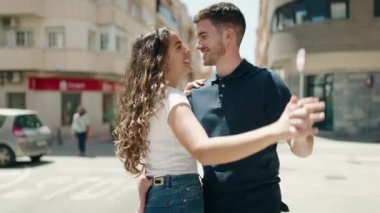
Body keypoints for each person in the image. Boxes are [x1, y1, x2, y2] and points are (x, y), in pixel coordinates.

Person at [113, 27, 325, 213]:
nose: (189, 50)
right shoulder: (174, 99)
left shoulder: (151, 99)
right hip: (180, 197)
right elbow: (203, 150)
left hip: (158, 195)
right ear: (160, 60)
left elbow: (151, 163)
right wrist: (278, 130)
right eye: (178, 47)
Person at [182, 2, 322, 212]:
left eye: (203, 36)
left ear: (228, 36)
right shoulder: (197, 94)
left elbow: (301, 150)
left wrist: (303, 134)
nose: (197, 45)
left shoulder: (268, 82)